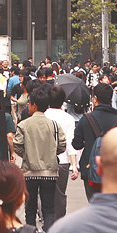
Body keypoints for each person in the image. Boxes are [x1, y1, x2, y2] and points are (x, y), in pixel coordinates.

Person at [13, 88, 67, 231]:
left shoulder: (24, 125)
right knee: (48, 208)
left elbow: (17, 145)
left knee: (30, 208)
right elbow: (62, 145)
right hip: (50, 173)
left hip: (29, 173)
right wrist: (51, 153)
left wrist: (26, 154)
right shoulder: (54, 125)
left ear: (34, 105)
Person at [72, 84, 117, 202]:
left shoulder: (86, 119)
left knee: (94, 204)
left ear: (95, 98)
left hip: (91, 170)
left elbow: (76, 144)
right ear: (111, 99)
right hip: (114, 171)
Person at [42, 85, 78, 223]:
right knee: (60, 194)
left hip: (43, 161)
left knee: (43, 193)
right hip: (62, 161)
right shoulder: (68, 118)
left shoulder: (43, 115)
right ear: (64, 100)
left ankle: (47, 219)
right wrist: (74, 164)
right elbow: (70, 142)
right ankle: (59, 222)